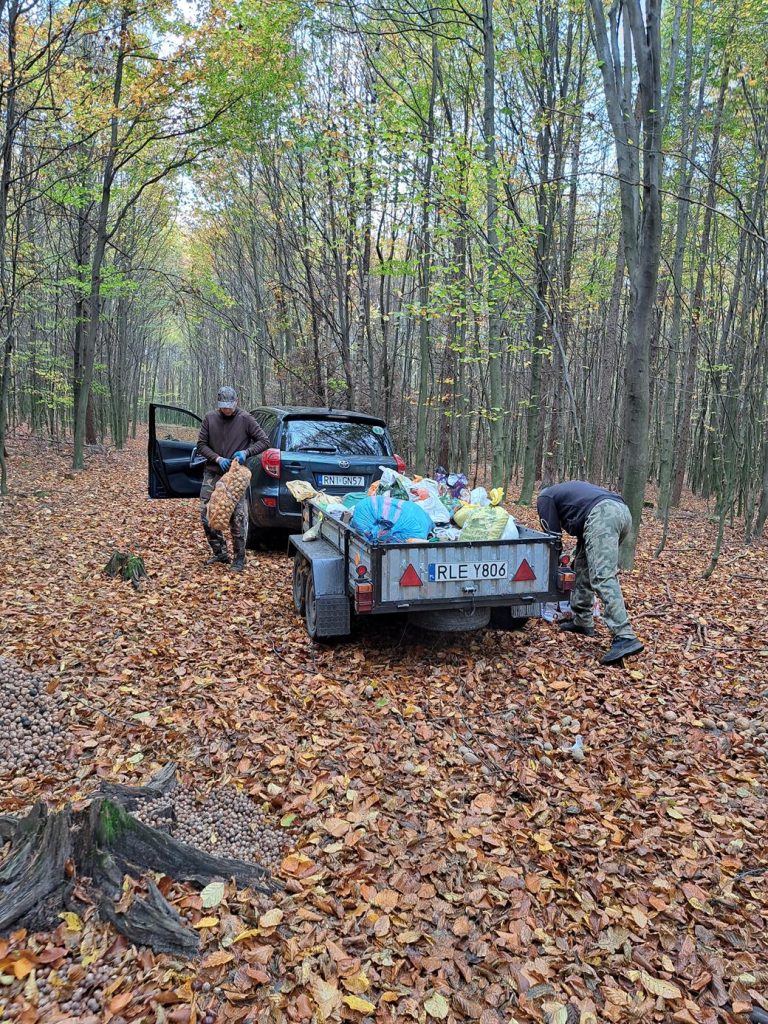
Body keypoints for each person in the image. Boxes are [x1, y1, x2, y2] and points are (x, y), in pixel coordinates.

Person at [537, 481, 643, 665]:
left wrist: (553, 564)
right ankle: (583, 620)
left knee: (602, 576)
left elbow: (552, 539)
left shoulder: (545, 497)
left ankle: (625, 635)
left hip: (603, 515)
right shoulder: (568, 493)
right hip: (620, 512)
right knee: (582, 566)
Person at [196, 386, 270, 571]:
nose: (227, 410)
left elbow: (264, 441)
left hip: (236, 475)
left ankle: (239, 558)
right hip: (214, 472)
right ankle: (220, 552)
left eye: (230, 406)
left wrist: (246, 452)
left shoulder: (245, 419)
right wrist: (217, 458)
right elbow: (201, 445)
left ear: (236, 402)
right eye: (223, 406)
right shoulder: (210, 418)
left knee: (238, 517)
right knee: (208, 514)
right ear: (219, 404)